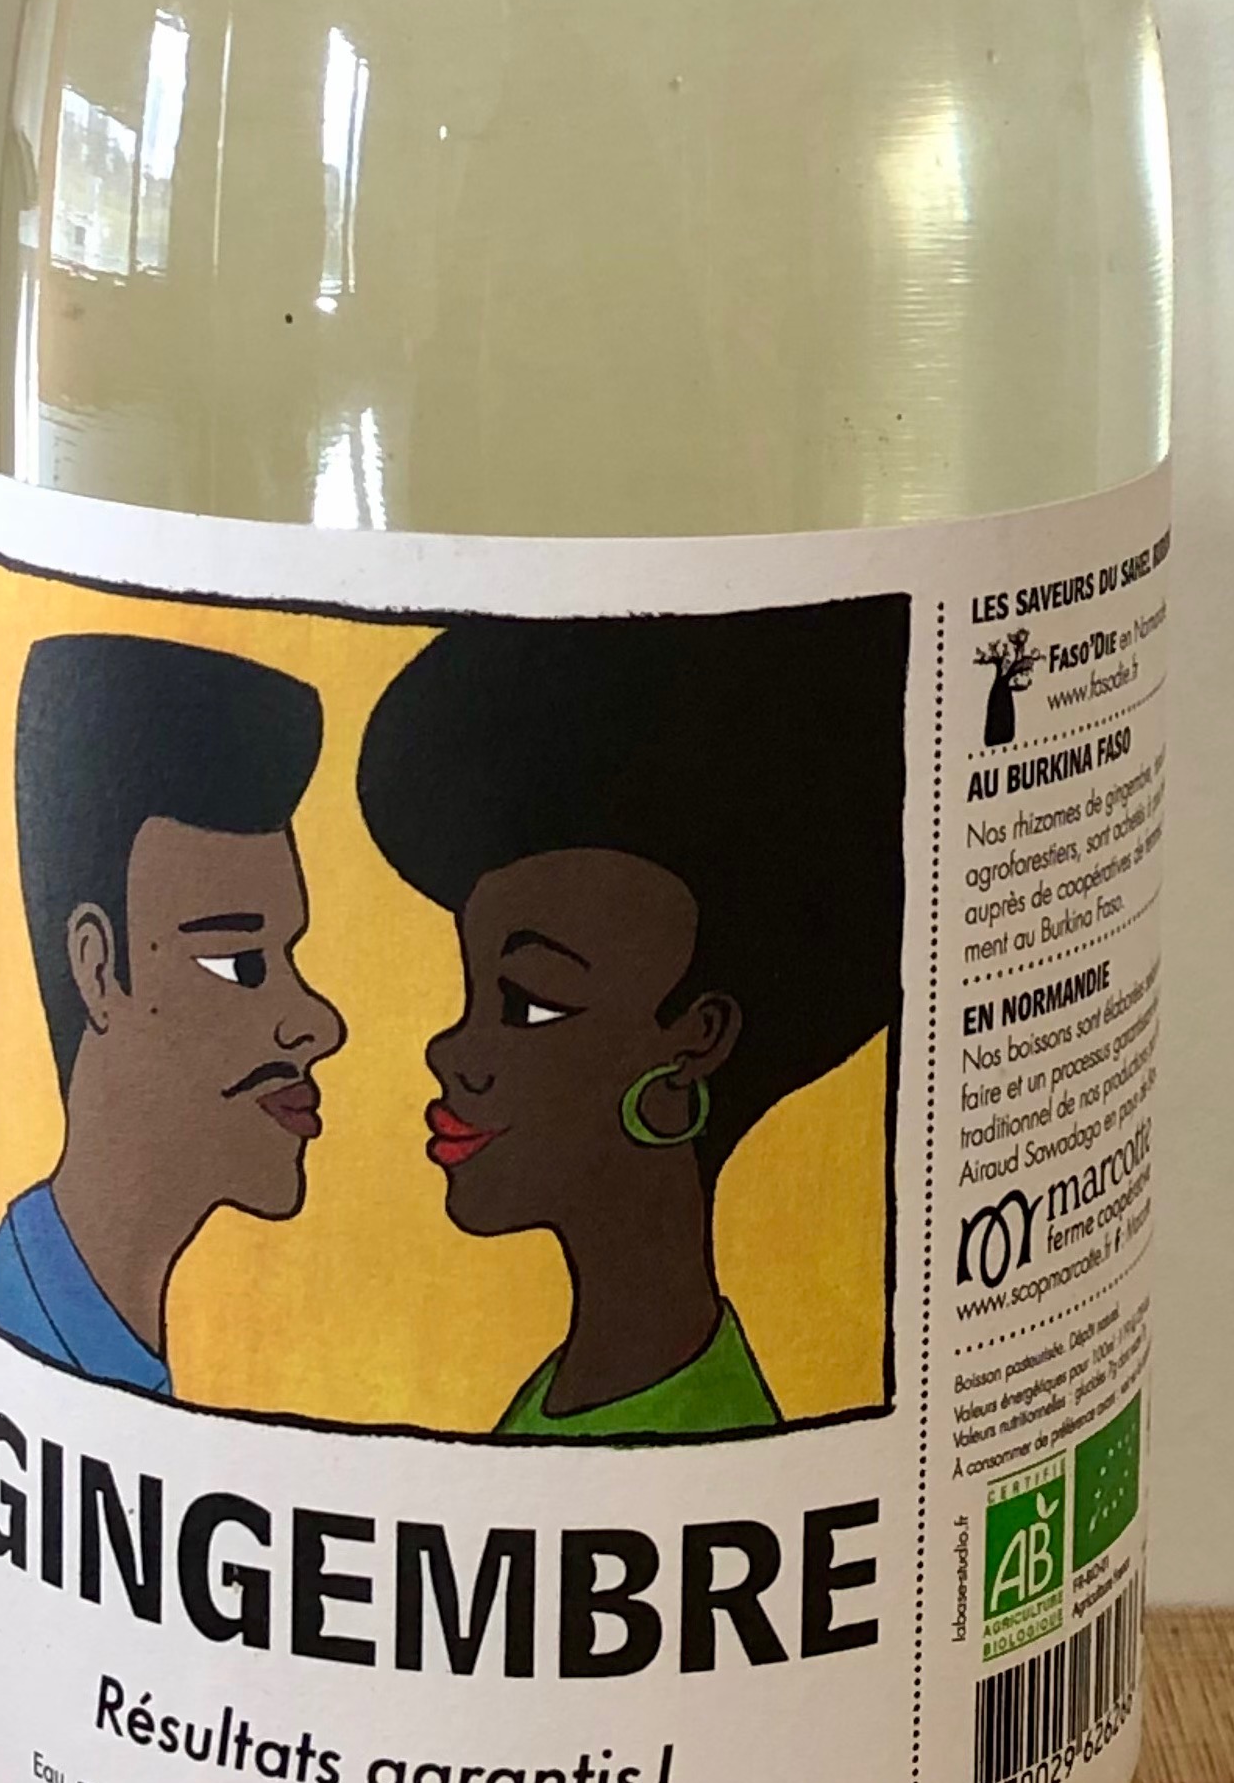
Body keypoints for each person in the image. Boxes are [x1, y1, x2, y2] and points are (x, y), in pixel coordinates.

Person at [356, 599, 907, 1438]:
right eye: (471, 996)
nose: (452, 1050)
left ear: (695, 1042)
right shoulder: (562, 1397)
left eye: (530, 1002)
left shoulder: (702, 1425)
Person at [0, 628, 339, 1398]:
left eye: (288, 956)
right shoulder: (24, 1333)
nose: (318, 1023)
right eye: (239, 964)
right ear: (97, 968)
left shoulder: (88, 1341)